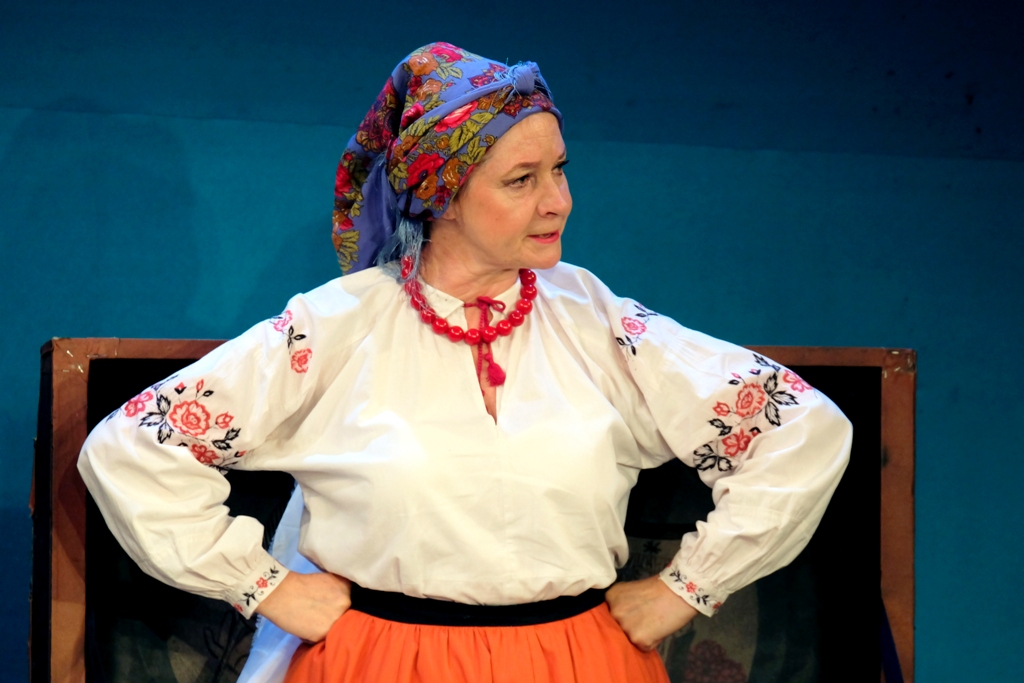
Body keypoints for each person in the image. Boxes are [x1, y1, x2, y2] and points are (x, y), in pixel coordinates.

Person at [78, 42, 853, 683]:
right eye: (522, 180)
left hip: (575, 662)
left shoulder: (594, 319)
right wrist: (269, 587)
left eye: (559, 169)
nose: (558, 201)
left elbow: (800, 429)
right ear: (440, 193)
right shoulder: (339, 327)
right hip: (384, 663)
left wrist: (687, 587)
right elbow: (132, 450)